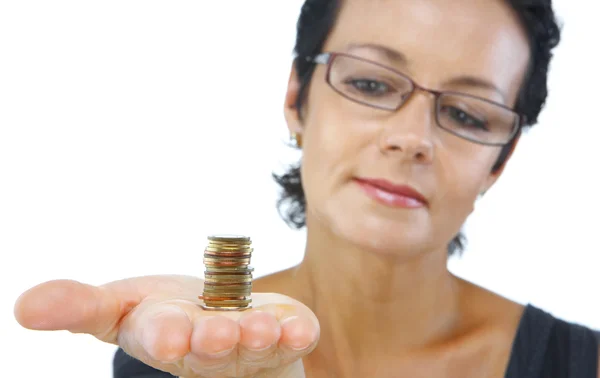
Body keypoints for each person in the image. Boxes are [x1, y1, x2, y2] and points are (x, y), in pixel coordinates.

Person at [13, 0, 600, 377]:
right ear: (297, 99)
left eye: (470, 115)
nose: (411, 137)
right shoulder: (180, 355)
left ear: (500, 160)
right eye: (370, 82)